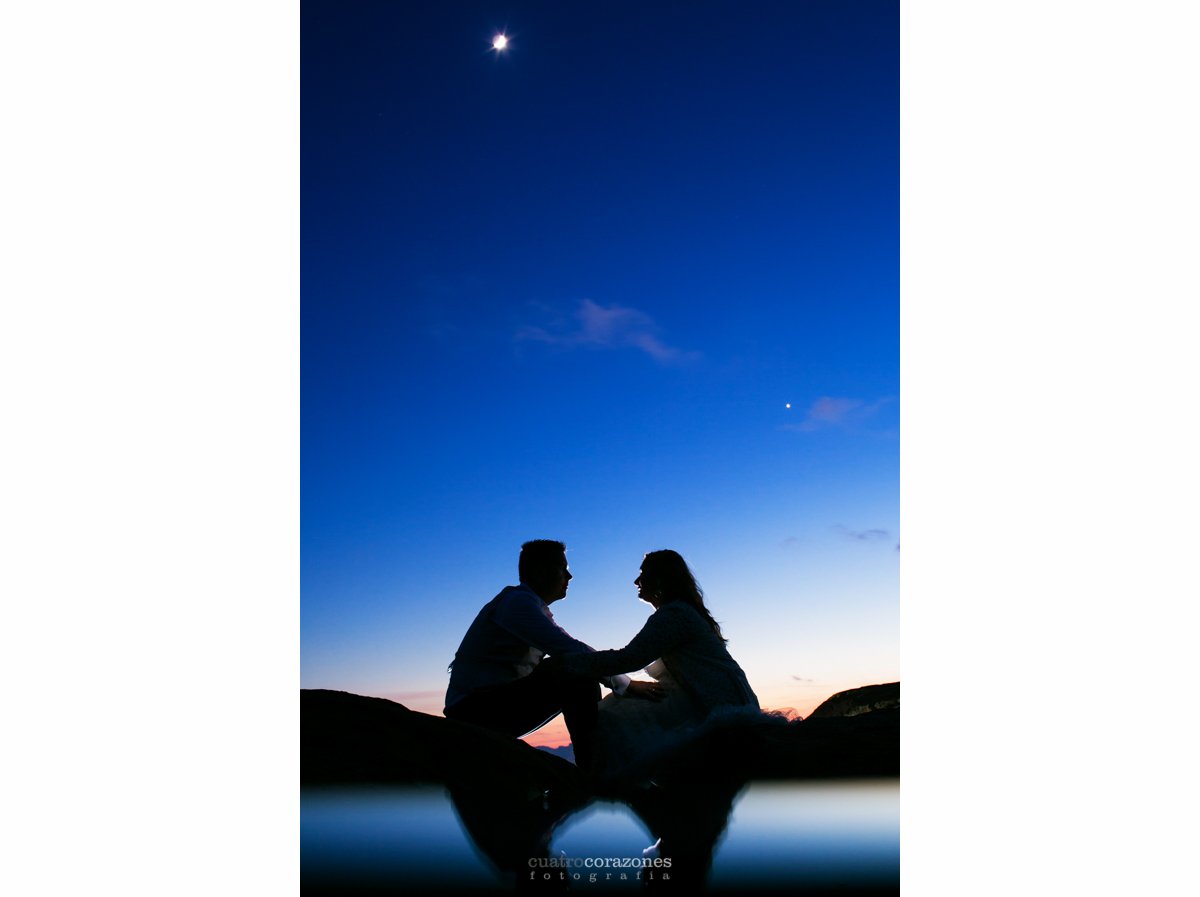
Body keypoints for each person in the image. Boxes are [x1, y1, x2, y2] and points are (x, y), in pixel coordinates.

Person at [557, 549, 761, 783]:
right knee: (620, 709)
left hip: (719, 705)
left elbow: (629, 659)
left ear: (660, 579)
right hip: (719, 698)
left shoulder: (674, 615)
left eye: (642, 574)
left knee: (611, 719)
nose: (636, 581)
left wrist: (567, 663)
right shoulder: (682, 611)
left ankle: (595, 785)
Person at [443, 540, 646, 771]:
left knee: (568, 667)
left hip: (489, 703)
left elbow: (568, 651)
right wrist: (627, 684)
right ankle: (595, 769)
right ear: (540, 571)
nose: (569, 576)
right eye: (562, 567)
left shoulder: (531, 606)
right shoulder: (517, 603)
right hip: (474, 711)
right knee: (578, 676)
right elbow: (571, 649)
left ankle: (596, 765)